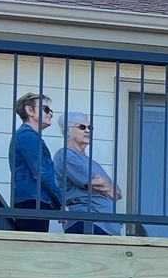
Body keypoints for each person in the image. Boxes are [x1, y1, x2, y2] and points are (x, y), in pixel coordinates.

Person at [56, 112, 120, 236]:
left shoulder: (91, 162)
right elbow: (99, 184)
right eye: (82, 127)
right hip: (87, 223)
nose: (88, 131)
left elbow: (117, 193)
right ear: (68, 131)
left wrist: (104, 185)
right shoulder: (65, 155)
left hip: (104, 226)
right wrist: (105, 185)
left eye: (90, 128)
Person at [7, 92, 62, 232]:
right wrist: (60, 200)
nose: (50, 114)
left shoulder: (28, 135)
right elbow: (42, 171)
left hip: (33, 200)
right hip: (32, 201)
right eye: (46, 109)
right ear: (29, 110)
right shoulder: (27, 135)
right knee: (33, 248)